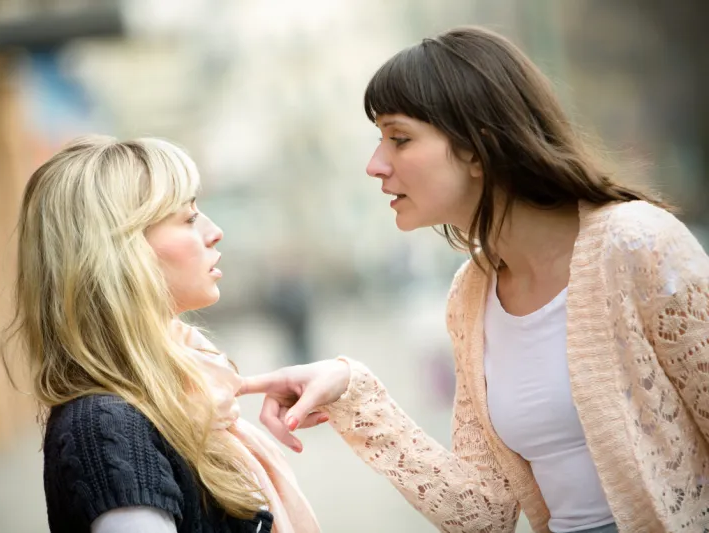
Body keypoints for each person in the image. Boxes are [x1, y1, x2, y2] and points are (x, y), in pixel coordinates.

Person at [238, 26, 709, 533]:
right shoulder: (471, 294)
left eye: (399, 139)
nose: (375, 165)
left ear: (478, 150)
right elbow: (483, 513)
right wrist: (352, 393)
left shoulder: (636, 244)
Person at [2, 136, 322, 533]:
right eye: (188, 218)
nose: (215, 231)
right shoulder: (107, 428)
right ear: (119, 251)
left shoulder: (186, 388)